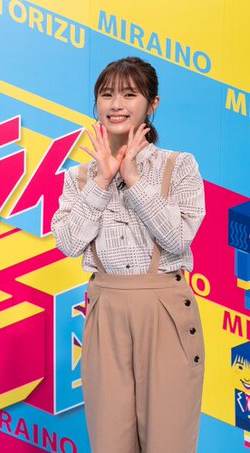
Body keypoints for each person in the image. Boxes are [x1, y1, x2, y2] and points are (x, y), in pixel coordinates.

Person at [51, 56, 206, 453]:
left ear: (152, 104)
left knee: (169, 441)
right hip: (106, 310)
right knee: (110, 442)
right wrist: (102, 181)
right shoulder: (79, 177)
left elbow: (177, 239)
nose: (116, 104)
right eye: (107, 95)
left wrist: (133, 178)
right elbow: (68, 243)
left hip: (164, 310)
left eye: (129, 94)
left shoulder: (179, 166)